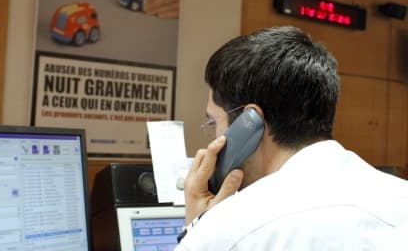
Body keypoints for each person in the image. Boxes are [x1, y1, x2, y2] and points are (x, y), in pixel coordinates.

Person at [175, 26, 408, 250]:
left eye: (214, 122)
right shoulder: (400, 199)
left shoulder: (227, 229)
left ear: (249, 123)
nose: (214, 137)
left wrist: (197, 228)